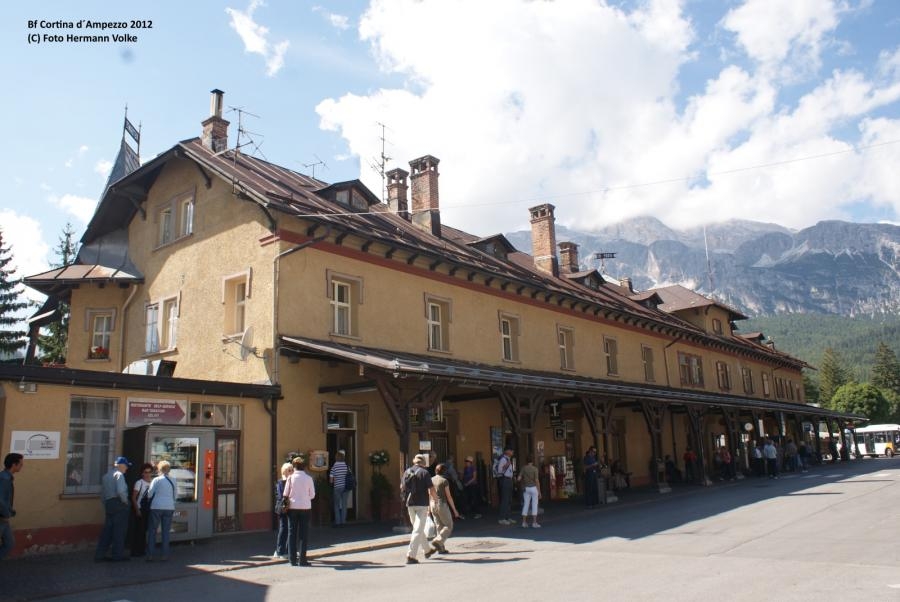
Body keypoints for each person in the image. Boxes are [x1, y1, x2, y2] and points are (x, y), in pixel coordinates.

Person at [401, 453, 437, 564]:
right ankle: (411, 555)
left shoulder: (406, 472)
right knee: (417, 529)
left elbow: (402, 487)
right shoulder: (425, 473)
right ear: (423, 463)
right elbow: (431, 489)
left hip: (409, 503)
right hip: (422, 504)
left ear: (414, 461)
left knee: (417, 528)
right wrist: (435, 500)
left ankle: (427, 550)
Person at [95, 456, 132, 562]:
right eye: (126, 466)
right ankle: (117, 555)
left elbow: (102, 493)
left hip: (109, 504)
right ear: (121, 465)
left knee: (107, 531)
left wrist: (106, 504)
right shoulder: (119, 475)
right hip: (119, 504)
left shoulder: (106, 476)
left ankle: (100, 555)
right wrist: (125, 502)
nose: (127, 468)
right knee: (119, 531)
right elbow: (121, 491)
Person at [283, 456, 316, 566]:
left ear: (294, 466)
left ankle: (292, 559)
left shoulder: (290, 478)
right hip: (305, 507)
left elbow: (285, 494)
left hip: (292, 507)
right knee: (303, 534)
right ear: (304, 467)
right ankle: (302, 559)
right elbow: (312, 495)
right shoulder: (309, 478)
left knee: (292, 533)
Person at [424, 464, 460, 558]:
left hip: (432, 504)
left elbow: (429, 494)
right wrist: (454, 510)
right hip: (441, 504)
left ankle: (441, 548)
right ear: (444, 471)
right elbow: (449, 496)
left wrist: (428, 509)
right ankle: (438, 540)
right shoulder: (444, 481)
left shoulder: (431, 480)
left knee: (439, 526)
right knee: (449, 525)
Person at [146, 460, 177, 561]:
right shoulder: (174, 480)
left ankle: (150, 555)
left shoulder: (156, 480)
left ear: (159, 469)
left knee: (152, 531)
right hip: (169, 507)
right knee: (165, 532)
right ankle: (165, 555)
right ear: (169, 469)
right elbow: (175, 495)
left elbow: (150, 494)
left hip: (156, 507)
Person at [0, 453, 24, 561]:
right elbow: (0, 500)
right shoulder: (4, 479)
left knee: (9, 543)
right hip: (1, 518)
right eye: (21, 464)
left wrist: (10, 511)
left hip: (4, 518)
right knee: (9, 544)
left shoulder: (7, 477)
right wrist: (5, 514)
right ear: (14, 464)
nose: (22, 466)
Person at [130, 463, 154, 558]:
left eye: (149, 472)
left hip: (149, 509)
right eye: (145, 472)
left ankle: (142, 550)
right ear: (142, 473)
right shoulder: (139, 482)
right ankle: (136, 551)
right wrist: (137, 510)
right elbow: (133, 497)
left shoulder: (153, 482)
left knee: (144, 530)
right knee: (139, 531)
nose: (147, 474)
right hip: (140, 509)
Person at [274, 462, 293, 559]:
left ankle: (286, 550)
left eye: (292, 470)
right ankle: (280, 551)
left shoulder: (290, 481)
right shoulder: (281, 482)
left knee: (288, 529)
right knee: (284, 528)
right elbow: (282, 496)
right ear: (285, 472)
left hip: (289, 507)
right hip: (283, 508)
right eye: (290, 470)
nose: (292, 472)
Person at [518, 455, 541, 528]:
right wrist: (539, 491)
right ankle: (534, 523)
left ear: (526, 461)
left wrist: (522, 483)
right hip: (534, 488)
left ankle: (524, 522)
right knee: (534, 505)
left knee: (526, 504)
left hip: (526, 488)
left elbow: (518, 478)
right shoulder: (535, 469)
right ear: (532, 461)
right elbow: (537, 480)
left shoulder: (523, 468)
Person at [329, 451, 350, 527]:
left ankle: (338, 522)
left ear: (336, 458)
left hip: (337, 487)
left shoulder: (334, 467)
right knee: (344, 505)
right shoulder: (346, 466)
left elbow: (331, 480)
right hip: (346, 487)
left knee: (336, 505)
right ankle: (343, 522)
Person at [496, 448, 515, 525]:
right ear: (507, 451)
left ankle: (508, 517)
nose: (512, 452)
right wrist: (507, 465)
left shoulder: (508, 459)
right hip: (505, 479)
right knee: (505, 499)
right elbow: (500, 470)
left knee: (509, 499)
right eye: (511, 450)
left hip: (509, 479)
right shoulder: (503, 459)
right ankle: (502, 518)